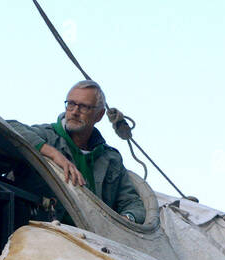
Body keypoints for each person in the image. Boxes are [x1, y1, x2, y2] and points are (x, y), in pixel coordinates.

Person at [8, 80, 146, 224]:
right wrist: (54, 154)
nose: (74, 112)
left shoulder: (111, 159)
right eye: (71, 104)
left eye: (84, 107)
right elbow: (10, 126)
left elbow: (133, 203)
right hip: (40, 235)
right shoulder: (48, 136)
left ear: (99, 115)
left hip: (91, 242)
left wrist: (127, 219)